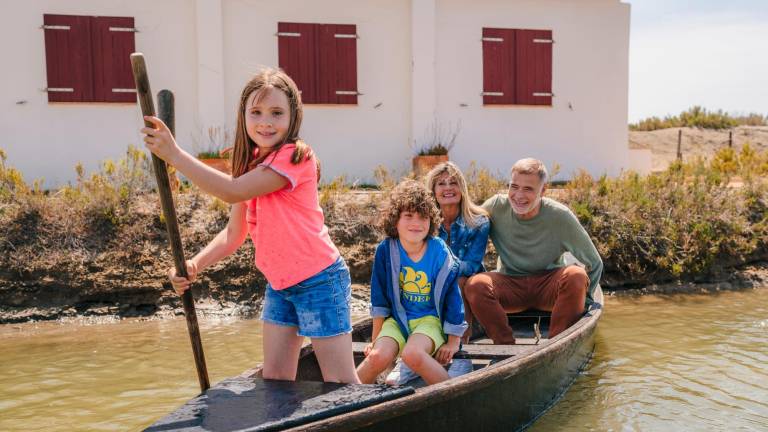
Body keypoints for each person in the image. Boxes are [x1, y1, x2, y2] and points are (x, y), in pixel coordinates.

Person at [140, 68, 360, 384]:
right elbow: (234, 234)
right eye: (256, 112)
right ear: (243, 114)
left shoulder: (296, 157)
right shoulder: (249, 162)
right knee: (275, 381)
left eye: (276, 113)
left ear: (293, 117)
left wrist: (174, 154)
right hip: (280, 285)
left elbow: (233, 190)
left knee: (340, 384)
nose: (265, 122)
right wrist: (193, 264)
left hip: (319, 281)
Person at [464, 158, 603, 344]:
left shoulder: (560, 216)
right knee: (475, 284)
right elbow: (466, 227)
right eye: (514, 186)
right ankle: (504, 346)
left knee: (576, 275)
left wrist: (584, 302)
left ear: (543, 190)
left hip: (549, 285)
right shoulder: (496, 206)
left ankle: (556, 344)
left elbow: (595, 263)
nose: (519, 195)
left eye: (528, 189)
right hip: (510, 284)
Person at [356, 180, 467, 385]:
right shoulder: (386, 250)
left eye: (423, 217)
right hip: (397, 320)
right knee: (376, 357)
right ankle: (348, 404)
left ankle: (451, 395)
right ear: (395, 221)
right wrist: (375, 339)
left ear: (431, 221)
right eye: (408, 216)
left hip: (430, 321)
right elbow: (378, 297)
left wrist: (453, 341)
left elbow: (453, 297)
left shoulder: (439, 251)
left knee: (412, 355)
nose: (416, 223)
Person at [425, 161, 490, 342]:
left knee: (459, 280)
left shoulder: (479, 222)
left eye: (453, 183)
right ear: (433, 191)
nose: (448, 188)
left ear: (462, 188)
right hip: (431, 283)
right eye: (441, 184)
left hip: (467, 287)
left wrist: (442, 269)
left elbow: (471, 265)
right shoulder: (424, 223)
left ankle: (460, 343)